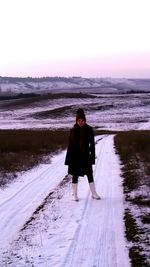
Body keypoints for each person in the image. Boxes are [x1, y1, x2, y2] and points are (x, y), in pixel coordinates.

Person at [65, 108, 100, 201]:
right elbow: (70, 145)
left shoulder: (89, 129)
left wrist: (92, 157)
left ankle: (94, 193)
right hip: (75, 157)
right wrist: (68, 159)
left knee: (90, 174)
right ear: (76, 120)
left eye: (82, 120)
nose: (80, 122)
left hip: (86, 156)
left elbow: (92, 144)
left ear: (85, 120)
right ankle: (74, 195)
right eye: (79, 120)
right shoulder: (73, 130)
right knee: (75, 175)